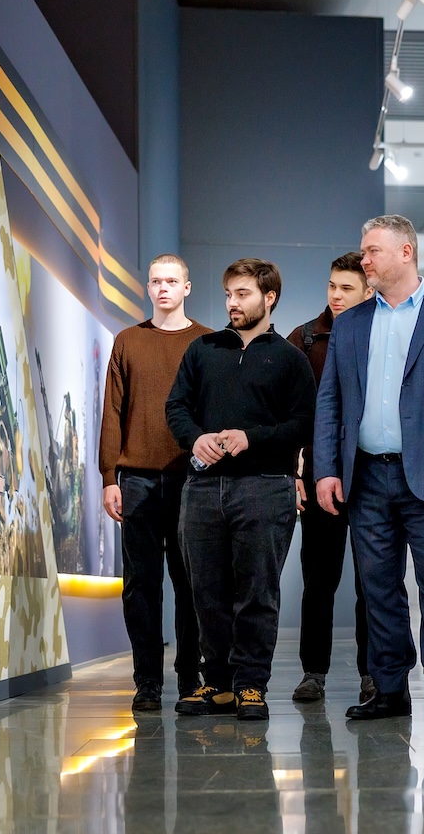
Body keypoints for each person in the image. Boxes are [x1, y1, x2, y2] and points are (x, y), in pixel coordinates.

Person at [313, 215, 424, 727]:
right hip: (366, 476)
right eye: (363, 250)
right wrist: (326, 469)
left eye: (372, 251)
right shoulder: (349, 324)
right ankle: (389, 688)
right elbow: (330, 402)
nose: (364, 259)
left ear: (406, 252)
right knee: (378, 587)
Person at [167, 258, 315, 721]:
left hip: (266, 487)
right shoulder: (202, 349)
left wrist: (253, 438)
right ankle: (218, 684)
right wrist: (195, 438)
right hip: (203, 488)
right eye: (229, 294)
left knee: (257, 592)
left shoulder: (290, 359)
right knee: (205, 592)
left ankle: (251, 684)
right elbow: (176, 407)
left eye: (243, 294)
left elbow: (304, 424)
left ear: (269, 298)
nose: (232, 303)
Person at [99, 254, 213, 714]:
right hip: (138, 479)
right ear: (147, 288)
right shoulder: (128, 341)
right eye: (155, 281)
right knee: (140, 586)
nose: (163, 288)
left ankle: (190, 678)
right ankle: (147, 681)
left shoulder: (207, 342)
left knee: (192, 584)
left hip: (192, 478)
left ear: (187, 287)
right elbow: (112, 412)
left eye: (171, 281)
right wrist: (109, 476)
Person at [288, 251, 375, 705]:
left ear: (368, 290)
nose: (336, 296)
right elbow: (287, 414)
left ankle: (373, 674)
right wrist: (294, 473)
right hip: (319, 477)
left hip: (371, 478)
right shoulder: (303, 339)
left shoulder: (382, 332)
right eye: (332, 286)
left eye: (346, 288)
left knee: (372, 582)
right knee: (318, 581)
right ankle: (313, 672)